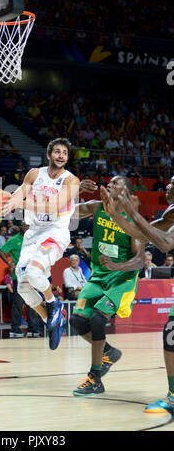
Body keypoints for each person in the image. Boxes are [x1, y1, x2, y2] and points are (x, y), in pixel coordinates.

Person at [3, 137, 97, 350]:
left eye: (64, 152)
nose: (61, 155)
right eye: (57, 151)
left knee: (35, 273)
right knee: (24, 288)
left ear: (67, 157)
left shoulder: (71, 180)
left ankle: (54, 303)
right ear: (49, 155)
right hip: (33, 234)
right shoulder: (34, 174)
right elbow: (19, 194)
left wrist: (20, 202)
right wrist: (6, 201)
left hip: (55, 233)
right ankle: (52, 320)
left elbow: (53, 206)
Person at [100, 175, 174, 413]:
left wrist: (131, 212)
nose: (168, 185)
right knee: (171, 332)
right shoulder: (172, 211)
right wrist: (115, 215)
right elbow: (145, 234)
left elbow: (164, 244)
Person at [70, 175, 145, 395]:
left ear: (128, 195)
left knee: (96, 319)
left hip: (121, 279)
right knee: (77, 320)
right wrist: (76, 191)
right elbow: (66, 212)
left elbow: (140, 259)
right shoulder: (97, 207)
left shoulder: (133, 221)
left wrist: (116, 265)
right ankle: (109, 352)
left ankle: (95, 378)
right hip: (99, 274)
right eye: (110, 183)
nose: (110, 185)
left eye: (116, 184)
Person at [0, 221, 40, 338]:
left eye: (28, 225)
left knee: (34, 301)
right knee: (18, 303)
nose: (25, 226)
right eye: (23, 224)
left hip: (31, 274)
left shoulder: (33, 239)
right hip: (19, 276)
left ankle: (33, 328)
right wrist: (10, 263)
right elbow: (0, 251)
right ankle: (15, 328)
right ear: (20, 227)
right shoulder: (14, 239)